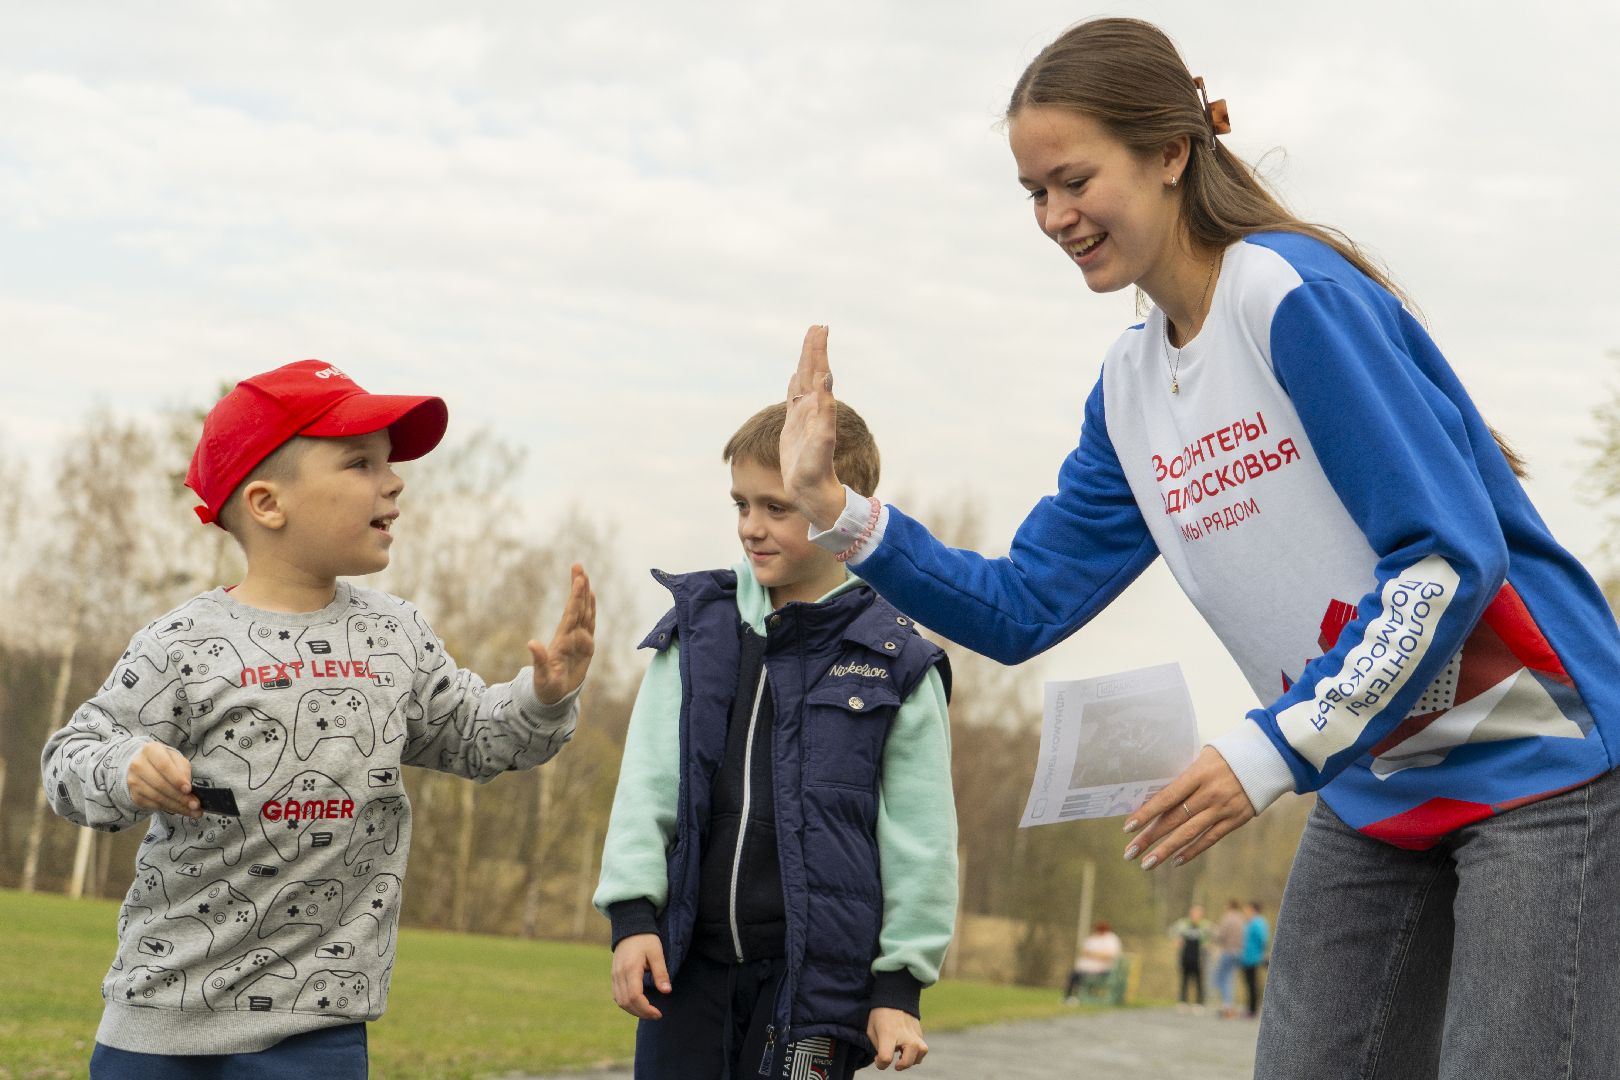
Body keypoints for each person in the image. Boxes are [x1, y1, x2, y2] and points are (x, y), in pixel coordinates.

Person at [777, 16, 1620, 1076]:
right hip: (1371, 787)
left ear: (1172, 153)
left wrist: (1264, 752)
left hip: (1540, 765)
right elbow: (1021, 604)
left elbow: (1446, 563)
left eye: (1074, 179)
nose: (1054, 216)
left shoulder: (1285, 292)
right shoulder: (1130, 391)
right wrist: (838, 509)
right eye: (1034, 192)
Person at [40, 360, 595, 1079]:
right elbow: (71, 757)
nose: (393, 482)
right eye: (360, 462)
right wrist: (125, 767)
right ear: (269, 504)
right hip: (160, 1026)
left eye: (390, 464)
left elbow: (476, 737)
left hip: (317, 1031)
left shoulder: (396, 637)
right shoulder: (182, 644)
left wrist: (543, 696)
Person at [593, 402, 956, 1078]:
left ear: (839, 507)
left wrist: (899, 988)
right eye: (742, 505)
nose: (752, 528)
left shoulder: (897, 663)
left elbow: (922, 840)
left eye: (777, 508)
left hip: (815, 994)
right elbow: (645, 788)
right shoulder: (697, 635)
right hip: (686, 976)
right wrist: (633, 920)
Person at [1063, 920, 1122, 1004]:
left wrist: (1094, 955)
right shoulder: (1093, 939)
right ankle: (1069, 997)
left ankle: (1076, 997)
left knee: (1078, 976)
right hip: (1086, 968)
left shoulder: (1111, 939)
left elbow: (1110, 955)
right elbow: (1084, 952)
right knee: (1074, 975)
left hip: (1103, 970)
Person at [1168, 903, 1208, 1009]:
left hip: (1199, 958)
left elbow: (1215, 935)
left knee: (1199, 981)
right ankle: (1183, 1001)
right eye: (1194, 913)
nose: (1195, 915)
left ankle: (1199, 1003)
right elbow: (1171, 931)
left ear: (1201, 915)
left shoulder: (1205, 925)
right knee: (1184, 979)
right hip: (1186, 956)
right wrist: (1176, 940)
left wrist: (1208, 944)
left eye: (1198, 913)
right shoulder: (1183, 924)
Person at [1211, 898, 1246, 1018]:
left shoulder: (1227, 918)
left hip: (1228, 951)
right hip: (1239, 952)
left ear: (1230, 906)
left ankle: (1227, 1006)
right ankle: (1230, 1005)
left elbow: (1220, 935)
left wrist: (1213, 934)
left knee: (1222, 979)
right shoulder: (1242, 919)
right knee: (1230, 978)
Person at [1240, 901, 1270, 1020]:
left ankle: (1253, 1010)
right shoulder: (1253, 922)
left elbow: (1263, 939)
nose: (1245, 912)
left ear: (1252, 909)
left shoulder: (1257, 922)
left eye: (1247, 909)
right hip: (1247, 957)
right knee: (1249, 984)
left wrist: (1261, 953)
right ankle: (1250, 1008)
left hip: (1253, 957)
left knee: (1252, 984)